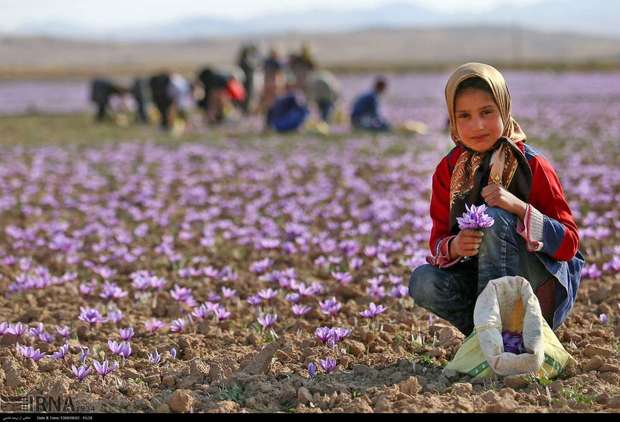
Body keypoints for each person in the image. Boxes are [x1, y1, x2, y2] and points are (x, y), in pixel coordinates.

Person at [408, 63, 584, 336]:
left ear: (504, 109)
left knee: (498, 219)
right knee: (423, 281)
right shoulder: (449, 170)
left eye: (487, 112)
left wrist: (518, 207)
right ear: (452, 121)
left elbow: (569, 245)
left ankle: (509, 337)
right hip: (480, 284)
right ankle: (488, 335)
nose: (477, 125)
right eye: (464, 115)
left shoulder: (532, 165)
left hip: (538, 288)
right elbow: (439, 240)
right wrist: (455, 246)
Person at [237, 43, 259, 114]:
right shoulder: (244, 62)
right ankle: (245, 110)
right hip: (246, 82)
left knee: (248, 96)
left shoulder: (243, 61)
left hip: (246, 82)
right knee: (247, 96)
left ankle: (246, 110)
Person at [259, 48, 283, 113]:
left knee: (272, 96)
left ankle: (271, 109)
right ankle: (269, 110)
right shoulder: (273, 62)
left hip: (270, 81)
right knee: (271, 96)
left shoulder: (270, 61)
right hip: (271, 81)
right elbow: (279, 73)